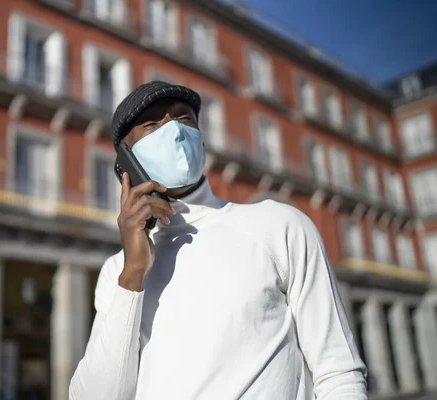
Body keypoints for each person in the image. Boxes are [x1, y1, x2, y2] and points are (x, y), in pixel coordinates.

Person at [69, 81, 367, 399]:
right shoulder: (118, 270)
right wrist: (133, 275)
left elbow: (339, 373)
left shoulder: (279, 226)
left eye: (185, 119)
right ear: (125, 163)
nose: (174, 130)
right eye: (152, 124)